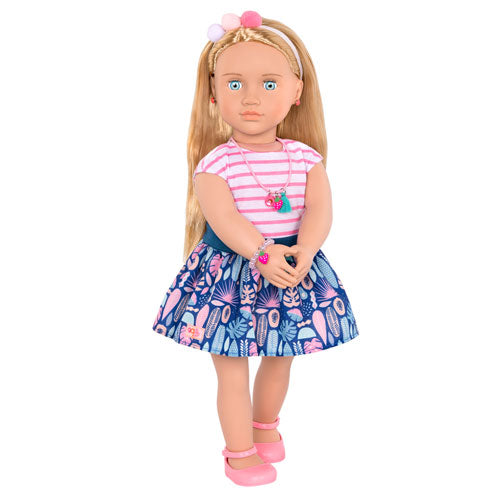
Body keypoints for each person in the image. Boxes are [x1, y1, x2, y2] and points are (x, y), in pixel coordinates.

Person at [152, 10, 360, 486]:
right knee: (232, 370)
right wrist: (263, 254)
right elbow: (225, 220)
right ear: (212, 93)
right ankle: (239, 451)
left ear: (296, 91)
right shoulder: (215, 164)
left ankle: (265, 427)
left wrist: (305, 250)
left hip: (291, 267)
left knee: (281, 357)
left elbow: (320, 210)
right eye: (234, 84)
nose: (250, 98)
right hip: (228, 277)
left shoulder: (306, 159)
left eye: (269, 84)